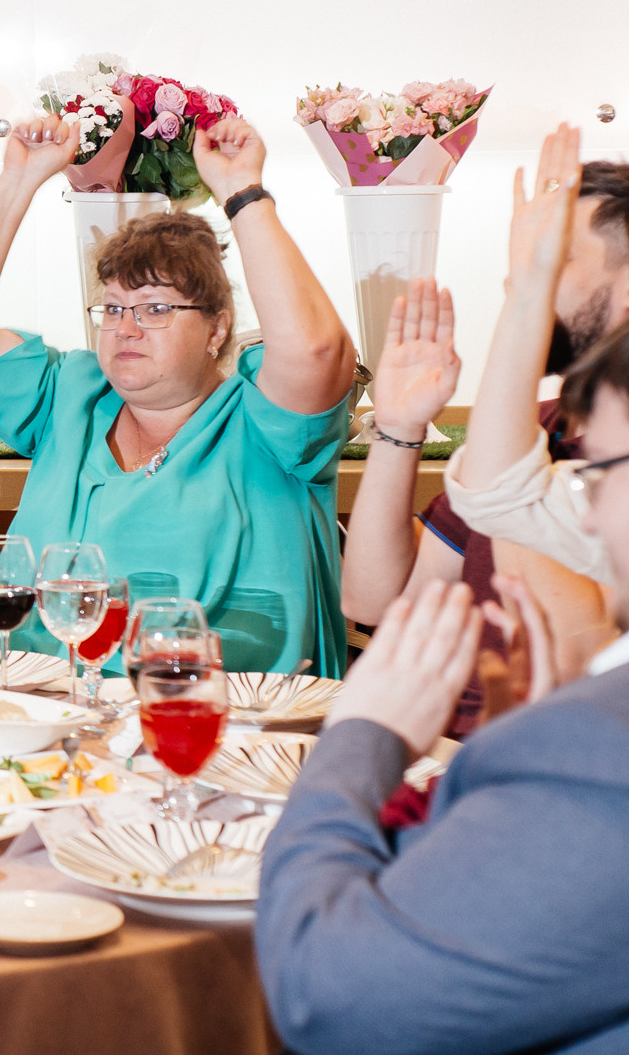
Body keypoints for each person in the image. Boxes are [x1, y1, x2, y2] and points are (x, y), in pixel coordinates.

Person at [253, 323, 629, 1055]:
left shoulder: (594, 747)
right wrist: (400, 429)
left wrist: (361, 735)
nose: (586, 510)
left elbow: (327, 999)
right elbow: (373, 598)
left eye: (602, 475)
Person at [0, 115, 356, 675]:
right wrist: (19, 179)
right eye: (114, 308)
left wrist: (243, 194)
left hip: (223, 716)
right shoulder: (70, 397)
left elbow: (315, 350)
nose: (125, 328)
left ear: (217, 329)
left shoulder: (267, 424)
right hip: (44, 712)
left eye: (156, 308)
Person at [342, 272, 616, 734]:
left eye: (559, 257)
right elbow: (372, 600)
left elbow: (572, 662)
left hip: (537, 750)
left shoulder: (583, 457)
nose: (515, 279)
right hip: (440, 744)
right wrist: (399, 426)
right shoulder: (535, 428)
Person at [442, 125, 629, 600]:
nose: (523, 273)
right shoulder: (557, 427)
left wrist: (528, 293)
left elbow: (498, 496)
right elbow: (497, 497)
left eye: (555, 257)